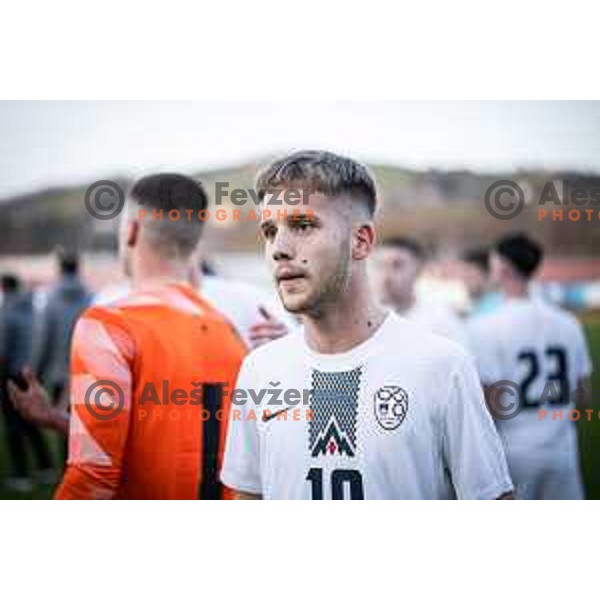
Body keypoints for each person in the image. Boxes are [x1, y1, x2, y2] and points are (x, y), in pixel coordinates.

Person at [220, 150, 513, 500]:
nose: (280, 248)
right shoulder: (259, 370)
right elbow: (247, 496)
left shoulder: (441, 365)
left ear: (360, 242)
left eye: (302, 225)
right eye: (270, 231)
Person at [9, 174, 246, 499]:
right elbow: (177, 436)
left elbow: (94, 475)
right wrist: (58, 420)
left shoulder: (109, 325)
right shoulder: (229, 331)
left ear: (131, 232)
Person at [469, 233, 593, 500]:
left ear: (501, 268)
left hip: (514, 453)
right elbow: (584, 397)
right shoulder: (569, 323)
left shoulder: (485, 327)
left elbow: (491, 403)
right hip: (563, 454)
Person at [31, 251, 92, 465]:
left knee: (62, 426)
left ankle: (67, 473)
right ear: (78, 267)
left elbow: (43, 337)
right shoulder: (91, 297)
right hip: (87, 373)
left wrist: (36, 371)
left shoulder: (49, 298)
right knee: (83, 429)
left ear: (59, 268)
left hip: (58, 373)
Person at [0, 274, 54, 492]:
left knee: (13, 425)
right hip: (31, 372)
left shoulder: (6, 313)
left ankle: (21, 475)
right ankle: (46, 467)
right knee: (32, 422)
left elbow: (2, 351)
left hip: (11, 375)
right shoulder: (33, 309)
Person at [373, 236, 468, 346]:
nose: (385, 276)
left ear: (419, 269)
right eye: (379, 265)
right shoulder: (366, 322)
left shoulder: (442, 323)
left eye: (397, 266)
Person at [459, 247, 502, 318]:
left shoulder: (497, 307)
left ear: (487, 274)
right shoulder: (477, 305)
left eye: (469, 273)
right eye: (463, 273)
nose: (464, 279)